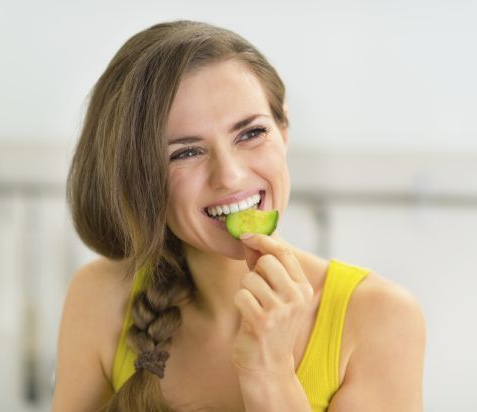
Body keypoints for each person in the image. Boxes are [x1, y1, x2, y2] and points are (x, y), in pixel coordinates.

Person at [52, 20, 426, 412]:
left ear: (283, 129)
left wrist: (269, 373)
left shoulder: (380, 318)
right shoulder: (99, 298)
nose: (230, 175)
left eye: (250, 133)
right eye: (185, 152)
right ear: (137, 176)